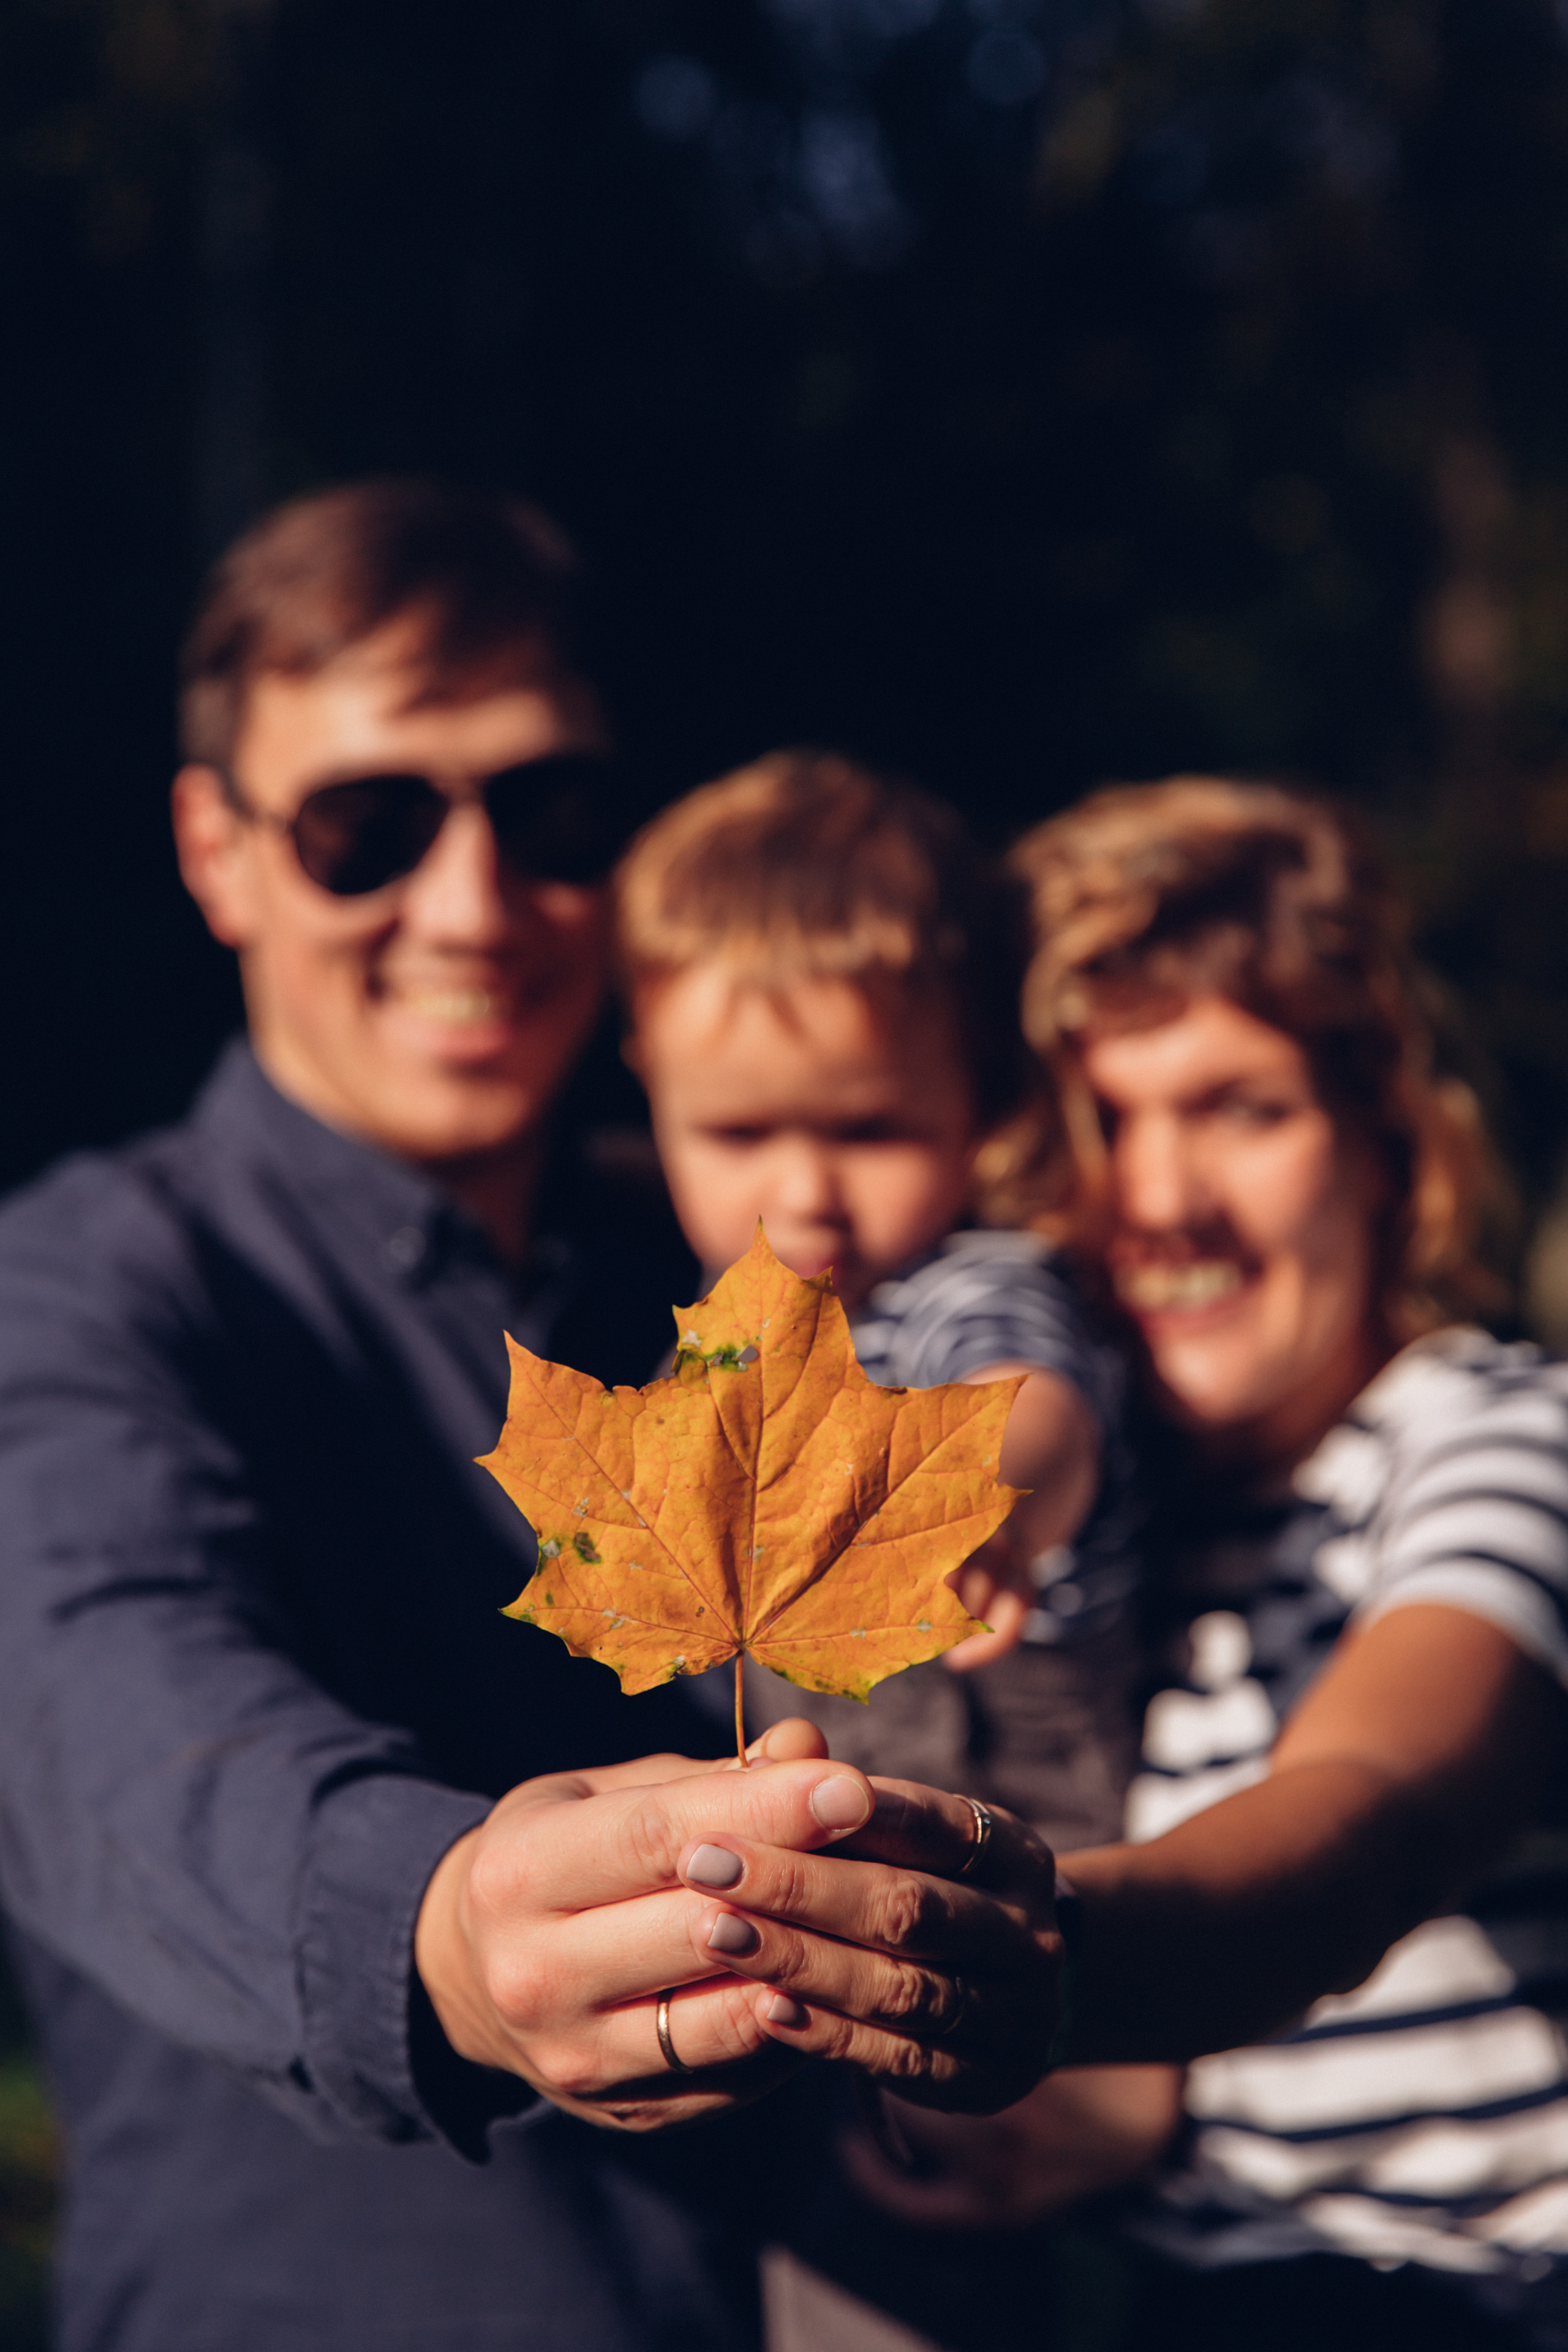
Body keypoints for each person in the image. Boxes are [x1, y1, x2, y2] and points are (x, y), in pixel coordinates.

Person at [0, 480, 1066, 2352]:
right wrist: (450, 1930)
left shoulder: (774, 1242)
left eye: (549, 814)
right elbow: (101, 1725)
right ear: (218, 850)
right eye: (368, 827)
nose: (474, 907)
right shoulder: (85, 1296)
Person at [832, 777, 1568, 2348]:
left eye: (1242, 1107)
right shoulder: (1109, 1527)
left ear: (1386, 1143)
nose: (1162, 1200)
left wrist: (1031, 1970)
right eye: (1105, 1123)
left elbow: (1363, 1828)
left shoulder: (1493, 1436)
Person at [613, 747, 1144, 1849]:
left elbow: (1037, 1404)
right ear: (649, 1087)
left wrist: (974, 1502)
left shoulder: (960, 1286)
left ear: (977, 1100)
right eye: (740, 1134)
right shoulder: (726, 1330)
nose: (808, 1195)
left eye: (871, 1133)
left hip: (1015, 1801)